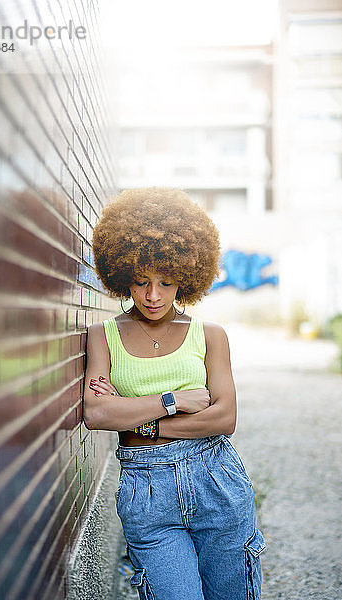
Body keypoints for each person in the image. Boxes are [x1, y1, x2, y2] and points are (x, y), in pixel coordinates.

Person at [83, 187, 265, 600]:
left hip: (214, 478)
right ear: (122, 274)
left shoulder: (211, 335)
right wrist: (176, 401)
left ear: (185, 278)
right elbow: (96, 414)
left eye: (166, 283)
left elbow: (224, 419)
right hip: (146, 490)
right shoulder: (103, 335)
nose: (152, 296)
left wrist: (132, 414)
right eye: (141, 282)